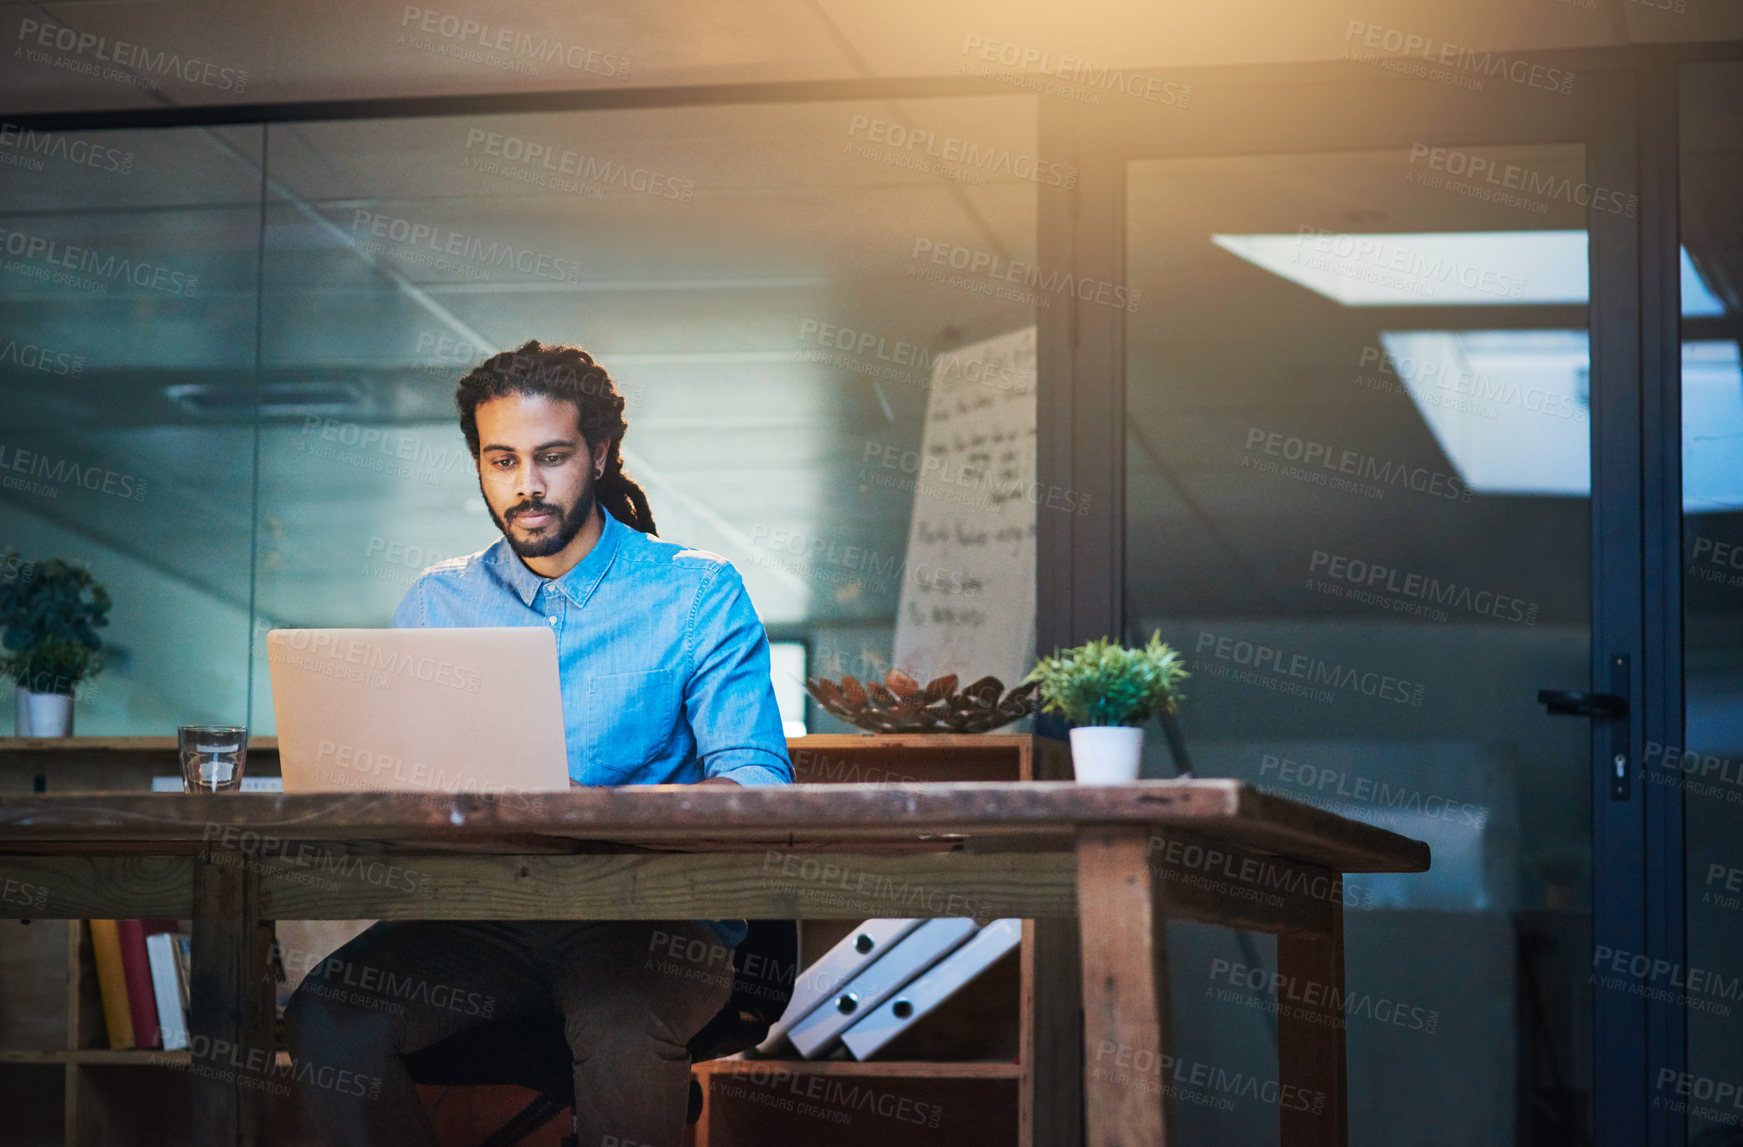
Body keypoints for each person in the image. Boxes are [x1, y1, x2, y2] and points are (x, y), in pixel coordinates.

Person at [284, 339, 792, 1146]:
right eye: (501, 460)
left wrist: (607, 810)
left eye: (550, 457)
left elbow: (755, 782)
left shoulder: (696, 590)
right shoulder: (437, 602)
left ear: (599, 454)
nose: (525, 485)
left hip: (648, 917)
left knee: (621, 1026)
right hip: (484, 916)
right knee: (328, 1015)